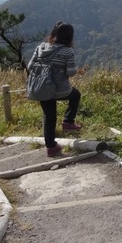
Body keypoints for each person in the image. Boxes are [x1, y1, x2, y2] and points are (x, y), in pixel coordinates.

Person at [28, 21, 84, 157]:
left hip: (42, 89)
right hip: (59, 89)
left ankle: (51, 147)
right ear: (69, 36)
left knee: (49, 116)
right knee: (75, 95)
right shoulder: (67, 51)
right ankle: (68, 122)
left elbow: (30, 66)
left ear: (54, 33)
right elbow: (71, 72)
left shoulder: (41, 47)